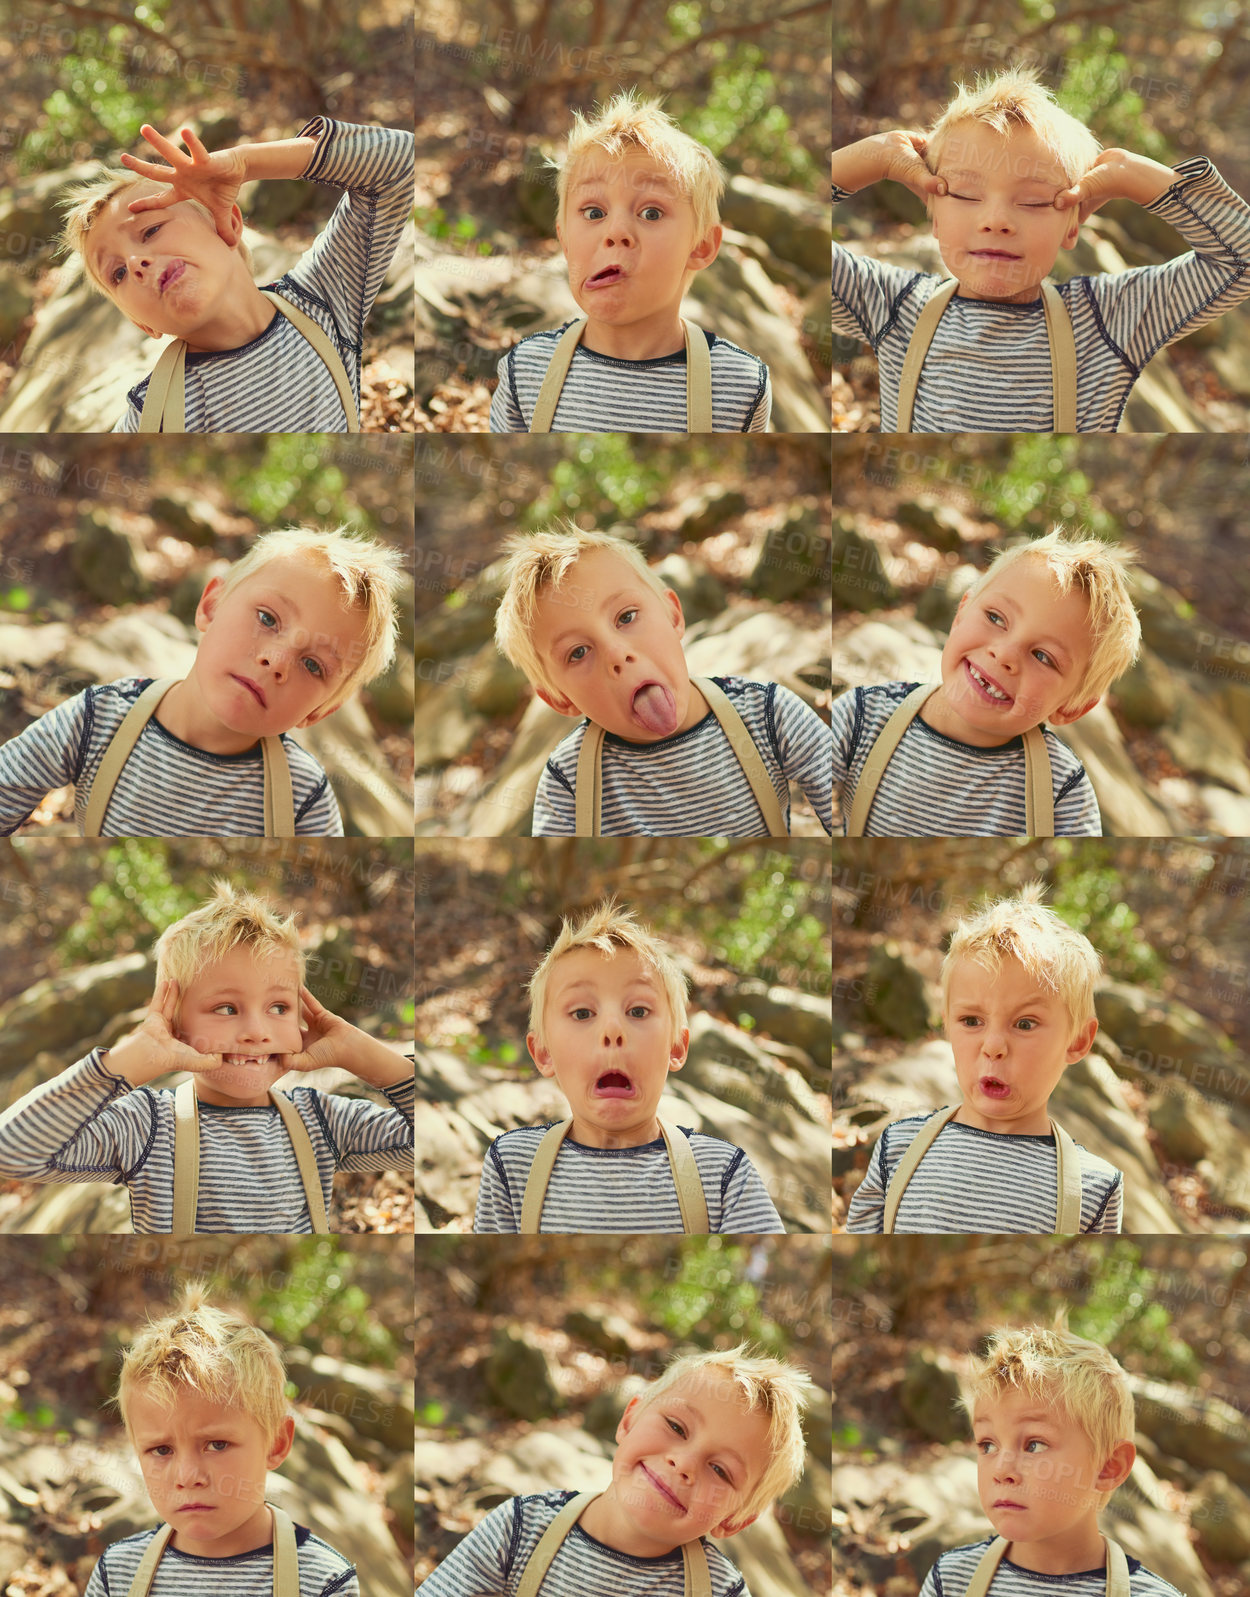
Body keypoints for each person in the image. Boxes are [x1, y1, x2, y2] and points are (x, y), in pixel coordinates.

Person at [831, 65, 1250, 431]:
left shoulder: (1109, 319)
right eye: (964, 195)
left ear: (1074, 224)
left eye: (1033, 201)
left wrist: (1148, 180)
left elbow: (1240, 262)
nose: (996, 220)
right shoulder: (893, 304)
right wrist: (871, 158)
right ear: (934, 214)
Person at [0, 881, 414, 1232]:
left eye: (279, 1008)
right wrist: (126, 1061)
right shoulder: (145, 1125)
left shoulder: (321, 1121)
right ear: (174, 1026)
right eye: (227, 1009)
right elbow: (13, 1152)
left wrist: (360, 1052)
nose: (256, 1032)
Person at [0, 525, 405, 837]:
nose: (276, 660)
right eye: (267, 618)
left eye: (314, 665)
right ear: (211, 605)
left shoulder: (303, 797)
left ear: (319, 712)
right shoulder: (98, 718)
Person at [60, 117, 414, 432]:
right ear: (142, 324)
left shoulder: (323, 299)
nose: (136, 262)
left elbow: (399, 162)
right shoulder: (156, 415)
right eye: (118, 273)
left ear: (226, 222)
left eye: (151, 230)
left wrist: (246, 163)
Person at [494, 524, 832, 837]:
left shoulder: (768, 714)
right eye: (579, 652)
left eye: (626, 617)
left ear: (673, 615)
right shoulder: (569, 782)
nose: (616, 654)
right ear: (559, 699)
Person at [473, 901, 785, 1233]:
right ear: (544, 1053)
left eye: (637, 1011)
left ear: (676, 1048)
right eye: (582, 1013)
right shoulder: (513, 1165)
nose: (612, 1030)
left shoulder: (722, 1174)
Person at [420, 1343, 812, 1596]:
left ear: (736, 1521)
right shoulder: (520, 1530)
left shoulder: (718, 1591)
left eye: (721, 1470)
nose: (685, 1462)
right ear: (628, 1420)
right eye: (676, 1427)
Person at [845, 886, 1123, 1233]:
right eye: (972, 1021)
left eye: (1024, 1024)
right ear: (946, 1024)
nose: (993, 1046)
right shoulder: (898, 1149)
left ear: (1078, 1040)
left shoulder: (1094, 1187)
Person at [490, 90, 771, 432]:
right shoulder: (526, 370)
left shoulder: (741, 385)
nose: (616, 232)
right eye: (594, 212)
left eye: (651, 213)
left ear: (700, 247)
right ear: (564, 240)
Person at [831, 529, 1141, 836]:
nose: (1004, 654)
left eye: (1043, 656)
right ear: (961, 614)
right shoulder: (864, 716)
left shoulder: (1061, 792)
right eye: (996, 618)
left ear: (1072, 708)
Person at [85, 1284, 358, 1593]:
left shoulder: (324, 1581)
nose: (188, 1477)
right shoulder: (118, 1573)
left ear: (277, 1443)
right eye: (161, 1450)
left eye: (216, 1444)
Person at [920, 1325, 1182, 1594]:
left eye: (1034, 1445)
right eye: (988, 1445)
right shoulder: (951, 1580)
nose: (1001, 1470)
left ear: (1108, 1467)